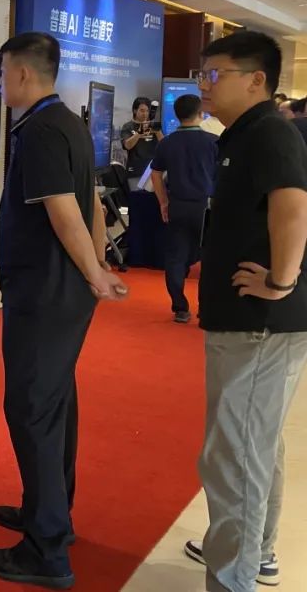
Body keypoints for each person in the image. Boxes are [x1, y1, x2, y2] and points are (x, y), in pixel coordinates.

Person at [0, 32, 128, 590]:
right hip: (59, 291)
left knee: (32, 409)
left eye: (2, 74)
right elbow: (92, 201)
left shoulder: (41, 130)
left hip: (44, 293)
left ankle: (46, 550)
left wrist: (94, 271)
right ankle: (48, 510)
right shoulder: (66, 121)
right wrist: (97, 265)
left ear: (22, 73)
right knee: (54, 401)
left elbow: (66, 208)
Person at [184, 31, 307, 592]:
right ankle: (255, 553)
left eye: (215, 74)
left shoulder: (269, 134)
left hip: (257, 325)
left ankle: (233, 576)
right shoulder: (244, 135)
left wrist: (281, 281)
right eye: (203, 75)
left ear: (256, 80)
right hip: (250, 323)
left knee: (233, 458)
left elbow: (293, 209)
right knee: (255, 449)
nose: (205, 85)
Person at [149, 94, 219, 323]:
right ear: (201, 114)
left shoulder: (167, 143)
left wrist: (163, 202)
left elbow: (156, 174)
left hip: (177, 205)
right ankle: (206, 308)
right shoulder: (214, 141)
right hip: (206, 207)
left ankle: (180, 307)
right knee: (209, 259)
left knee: (175, 258)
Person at [120, 97, 163, 189]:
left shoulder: (152, 126)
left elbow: (164, 146)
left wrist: (157, 131)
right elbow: (127, 146)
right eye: (142, 110)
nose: (145, 114)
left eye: (147, 111)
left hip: (153, 171)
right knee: (137, 195)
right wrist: (139, 133)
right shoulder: (128, 126)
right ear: (135, 111)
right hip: (135, 171)